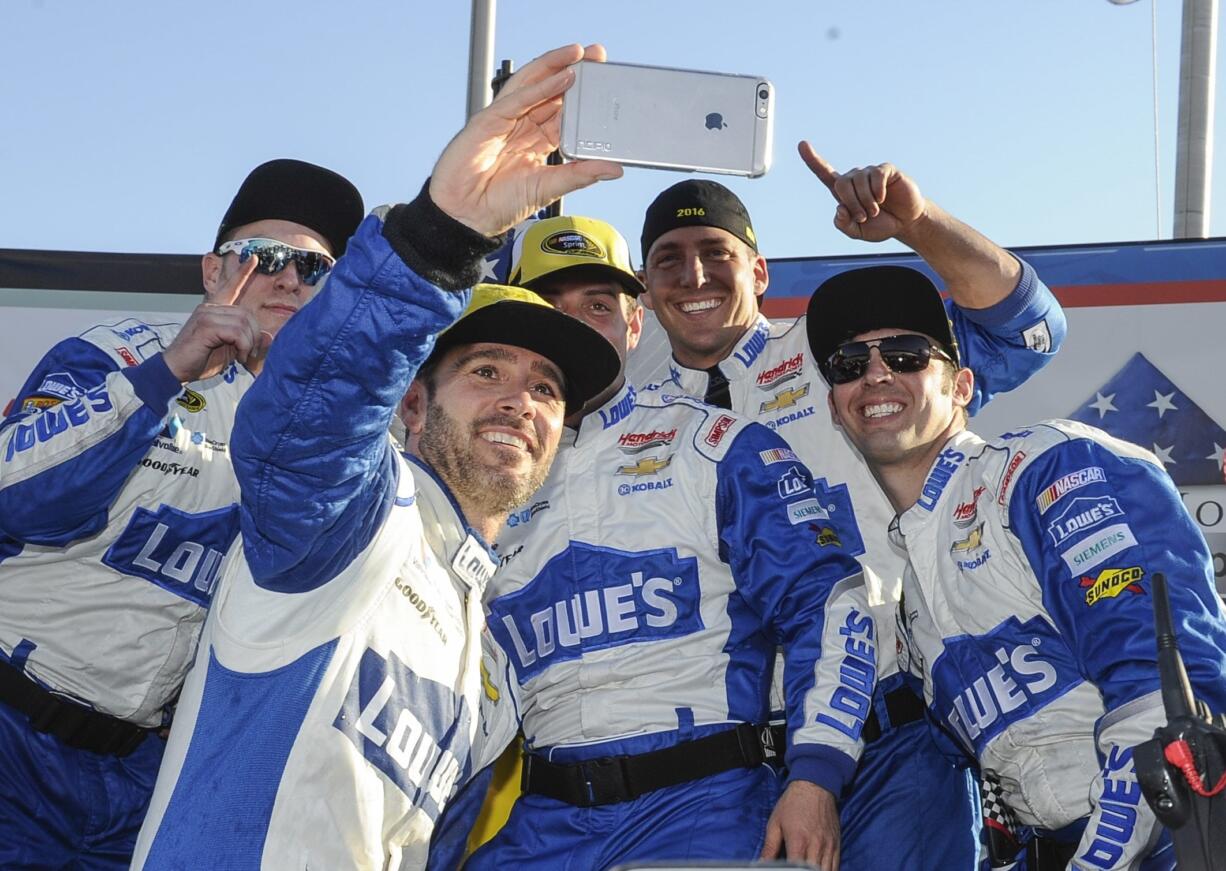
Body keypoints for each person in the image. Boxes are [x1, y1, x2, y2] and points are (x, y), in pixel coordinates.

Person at [130, 44, 625, 870]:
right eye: (486, 370)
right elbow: (303, 419)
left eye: (547, 388)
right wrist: (441, 237)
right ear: (412, 401)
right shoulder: (357, 513)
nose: (520, 399)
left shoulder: (488, 666)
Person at [634, 150, 1068, 867]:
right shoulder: (637, 419)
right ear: (646, 290)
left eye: (717, 252)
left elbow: (1031, 331)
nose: (695, 275)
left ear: (761, 271)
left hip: (889, 745)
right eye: (669, 260)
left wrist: (919, 223)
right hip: (725, 773)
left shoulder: (839, 354)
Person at [462, 213, 870, 871]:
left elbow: (829, 603)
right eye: (548, 306)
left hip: (706, 803)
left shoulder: (719, 446)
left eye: (597, 304)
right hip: (545, 818)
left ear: (635, 322)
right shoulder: (479, 480)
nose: (573, 325)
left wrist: (816, 775)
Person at [0, 157, 363, 866]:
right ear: (212, 270)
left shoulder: (336, 439)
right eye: (265, 257)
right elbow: (19, 497)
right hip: (13, 729)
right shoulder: (118, 351)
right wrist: (165, 374)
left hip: (132, 781)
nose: (289, 279)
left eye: (314, 268)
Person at [808, 265, 1226, 869]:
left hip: (1176, 834)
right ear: (836, 407)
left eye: (906, 355)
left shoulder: (1045, 468)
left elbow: (1162, 703)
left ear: (961, 386)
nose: (876, 373)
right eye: (849, 364)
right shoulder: (902, 596)